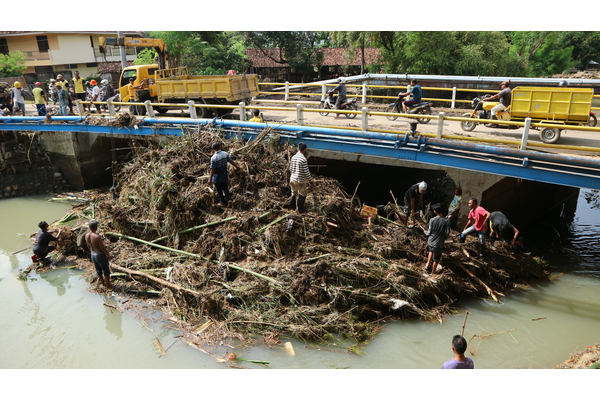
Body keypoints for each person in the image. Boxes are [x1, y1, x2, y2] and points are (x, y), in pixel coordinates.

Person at [423, 203, 451, 277]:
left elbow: (429, 232)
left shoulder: (432, 220)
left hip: (430, 241)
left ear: (435, 211)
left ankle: (427, 265)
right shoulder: (446, 221)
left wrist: (425, 232)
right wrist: (443, 238)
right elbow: (447, 233)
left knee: (431, 251)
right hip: (438, 243)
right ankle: (432, 273)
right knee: (436, 259)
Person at [208, 142, 240, 206]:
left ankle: (223, 203)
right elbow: (230, 161)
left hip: (217, 178)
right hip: (224, 176)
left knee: (219, 191)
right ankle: (229, 200)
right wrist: (236, 166)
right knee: (226, 189)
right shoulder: (225, 154)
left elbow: (212, 169)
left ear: (213, 149)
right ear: (220, 147)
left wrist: (210, 179)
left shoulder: (213, 158)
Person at [85, 219, 112, 288]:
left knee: (98, 270)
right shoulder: (97, 237)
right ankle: (108, 285)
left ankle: (103, 283)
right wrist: (108, 254)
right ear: (96, 227)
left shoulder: (86, 235)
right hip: (99, 254)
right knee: (105, 269)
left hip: (92, 254)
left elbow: (88, 246)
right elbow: (102, 248)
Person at [288, 142, 311, 213]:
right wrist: (310, 180)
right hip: (300, 180)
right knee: (303, 194)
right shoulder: (303, 159)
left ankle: (292, 207)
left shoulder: (293, 157)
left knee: (294, 193)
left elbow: (290, 169)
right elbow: (306, 173)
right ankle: (300, 209)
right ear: (304, 150)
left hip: (292, 179)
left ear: (298, 148)